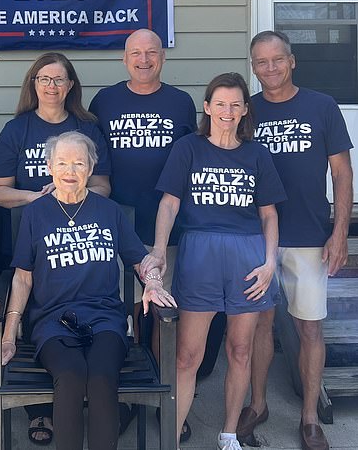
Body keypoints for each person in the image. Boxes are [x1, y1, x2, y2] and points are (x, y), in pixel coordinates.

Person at [1, 131, 176, 450]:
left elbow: (140, 260)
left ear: (91, 167)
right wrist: (9, 336)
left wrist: (151, 281)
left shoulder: (109, 212)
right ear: (50, 166)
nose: (70, 171)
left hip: (106, 319)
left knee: (101, 378)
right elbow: (22, 278)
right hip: (52, 322)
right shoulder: (35, 214)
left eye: (79, 163)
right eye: (63, 163)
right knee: (69, 376)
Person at [149, 73, 286, 450]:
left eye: (235, 105)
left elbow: (269, 214)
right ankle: (171, 439)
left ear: (245, 110)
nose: (227, 111)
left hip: (247, 256)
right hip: (200, 254)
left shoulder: (256, 154)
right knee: (187, 356)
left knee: (240, 350)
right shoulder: (188, 148)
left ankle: (228, 434)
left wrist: (270, 263)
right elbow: (170, 202)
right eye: (220, 104)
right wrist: (160, 249)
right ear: (207, 108)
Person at [238, 31, 353, 450]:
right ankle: (258, 403)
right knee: (259, 326)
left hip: (308, 234)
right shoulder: (245, 110)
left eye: (277, 59)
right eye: (261, 62)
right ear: (253, 66)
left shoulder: (321, 106)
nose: (270, 68)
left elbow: (342, 173)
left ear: (292, 61)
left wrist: (339, 233)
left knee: (309, 327)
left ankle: (308, 418)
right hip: (255, 236)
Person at [0, 52, 111, 444]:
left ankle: (89, 412)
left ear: (71, 85)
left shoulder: (87, 128)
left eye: (59, 79)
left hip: (82, 242)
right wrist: (40, 198)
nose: (52, 86)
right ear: (33, 84)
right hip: (34, 240)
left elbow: (105, 187)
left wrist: (69, 192)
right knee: (42, 318)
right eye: (44, 79)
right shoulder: (16, 130)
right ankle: (41, 414)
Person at [89, 28, 196, 441]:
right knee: (124, 315)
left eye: (152, 52)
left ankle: (164, 398)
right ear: (124, 58)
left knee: (159, 316)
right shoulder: (106, 101)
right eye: (136, 52)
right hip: (113, 227)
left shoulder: (181, 103)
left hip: (164, 228)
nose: (145, 59)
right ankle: (123, 399)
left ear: (163, 57)